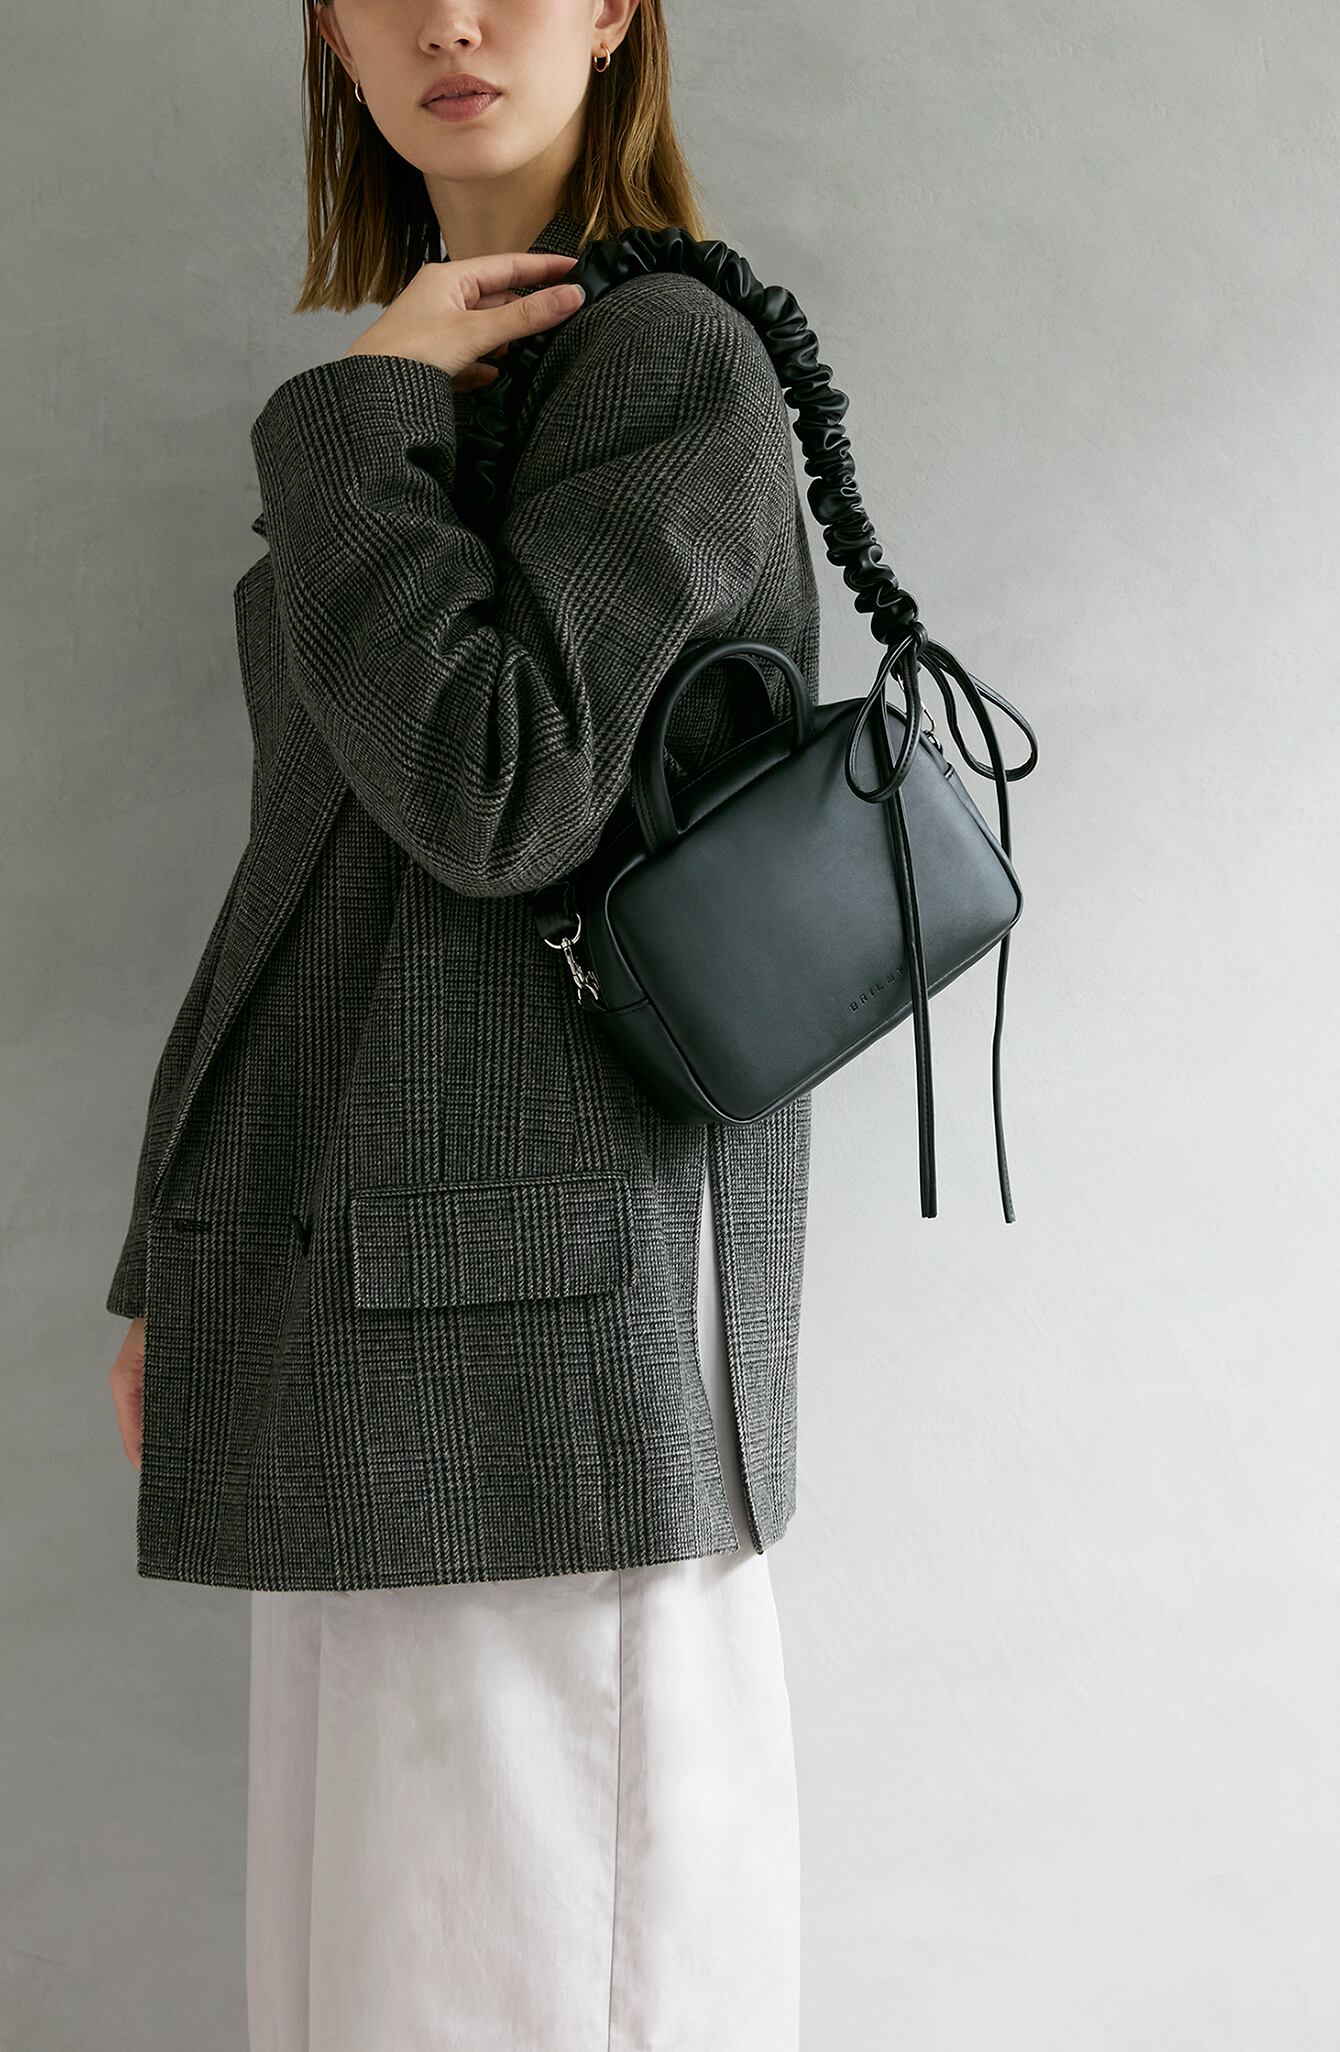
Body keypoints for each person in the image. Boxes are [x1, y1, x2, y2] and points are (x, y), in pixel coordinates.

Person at [103, 1, 821, 2044]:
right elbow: (309, 873)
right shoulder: (429, 385)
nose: (447, 17)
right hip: (378, 1296)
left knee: (515, 1980)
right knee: (378, 1979)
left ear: (613, 12)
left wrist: (355, 424)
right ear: (329, 34)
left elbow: (500, 789)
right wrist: (179, 1252)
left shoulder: (666, 365)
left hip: (551, 1355)